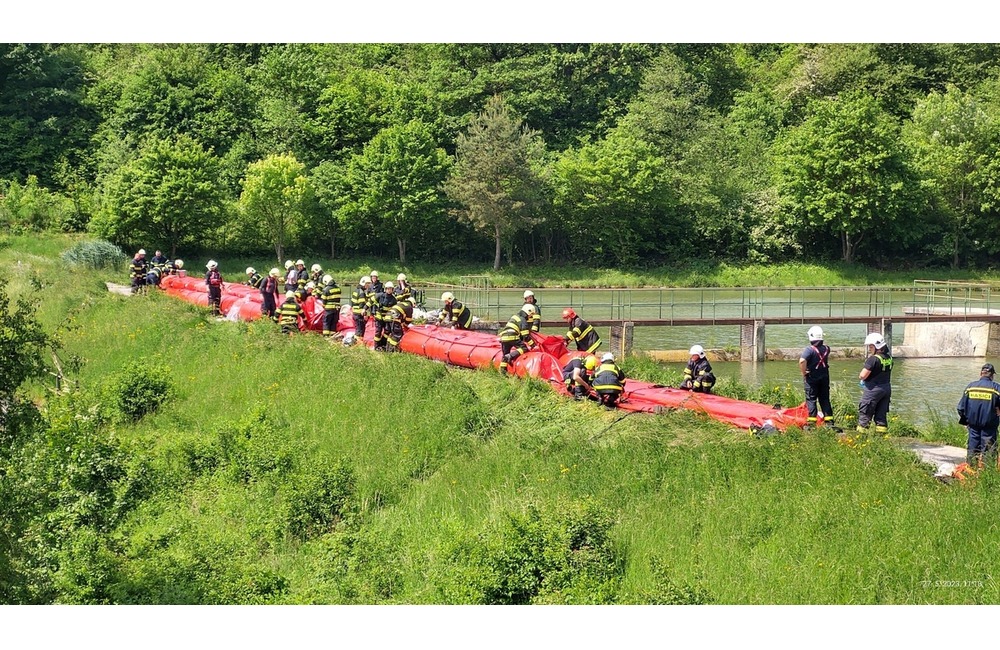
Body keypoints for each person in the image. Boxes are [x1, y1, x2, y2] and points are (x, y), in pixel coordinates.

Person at [957, 363, 1000, 466]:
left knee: (972, 451)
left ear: (981, 373)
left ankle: (970, 474)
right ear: (992, 375)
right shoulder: (996, 388)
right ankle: (987, 475)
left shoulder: (970, 387)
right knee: (989, 454)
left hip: (973, 427)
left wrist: (966, 422)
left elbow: (960, 408)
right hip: (989, 428)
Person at [799, 326, 835, 429]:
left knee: (811, 399)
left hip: (812, 378)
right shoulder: (827, 348)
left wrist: (803, 372)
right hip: (824, 377)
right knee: (824, 399)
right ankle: (829, 422)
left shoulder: (809, 350)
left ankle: (811, 423)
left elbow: (802, 361)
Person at [857, 332, 893, 433]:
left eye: (871, 346)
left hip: (873, 390)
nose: (869, 349)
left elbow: (863, 375)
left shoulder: (873, 359)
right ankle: (881, 440)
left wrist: (861, 378)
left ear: (876, 346)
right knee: (881, 416)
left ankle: (861, 439)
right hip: (886, 389)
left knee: (865, 414)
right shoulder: (889, 358)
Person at [498, 304, 535, 374]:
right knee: (524, 348)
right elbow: (526, 336)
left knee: (505, 355)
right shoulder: (523, 320)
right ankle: (510, 356)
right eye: (531, 314)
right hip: (512, 336)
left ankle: (502, 372)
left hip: (503, 337)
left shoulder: (515, 317)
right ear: (528, 312)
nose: (531, 316)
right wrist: (533, 345)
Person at [373, 282, 398, 351]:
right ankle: (376, 346)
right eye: (388, 289)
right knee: (378, 331)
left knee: (387, 331)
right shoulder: (380, 296)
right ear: (385, 289)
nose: (389, 290)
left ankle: (382, 344)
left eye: (390, 289)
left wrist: (395, 317)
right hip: (379, 317)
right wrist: (367, 309)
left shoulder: (394, 299)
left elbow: (395, 310)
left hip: (387, 318)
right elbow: (371, 302)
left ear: (392, 290)